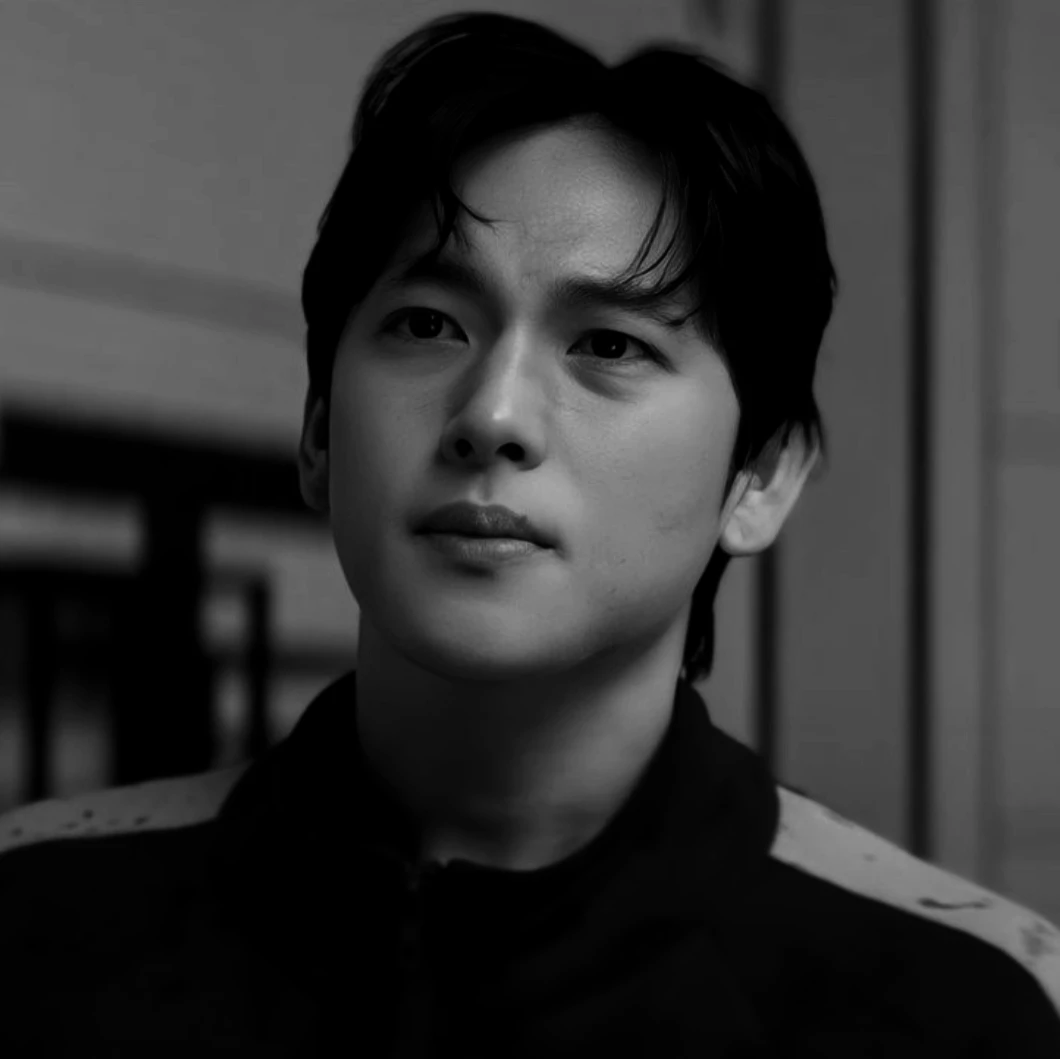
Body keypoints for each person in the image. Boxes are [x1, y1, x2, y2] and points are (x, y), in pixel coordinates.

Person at [2, 11, 1059, 1056]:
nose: (493, 414)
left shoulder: (969, 1005)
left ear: (761, 476)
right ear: (319, 429)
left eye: (609, 344)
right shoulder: (33, 917)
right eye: (427, 324)